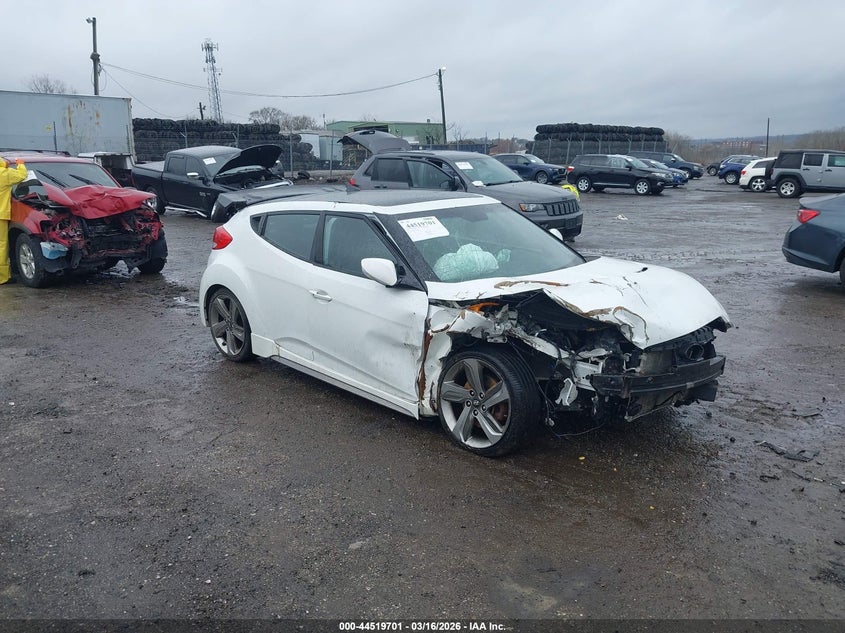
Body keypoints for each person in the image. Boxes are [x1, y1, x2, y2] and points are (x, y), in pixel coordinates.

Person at [0, 157, 27, 284]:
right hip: (0, 216)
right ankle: (3, 277)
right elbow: (22, 175)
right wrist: (20, 164)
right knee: (1, 246)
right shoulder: (4, 173)